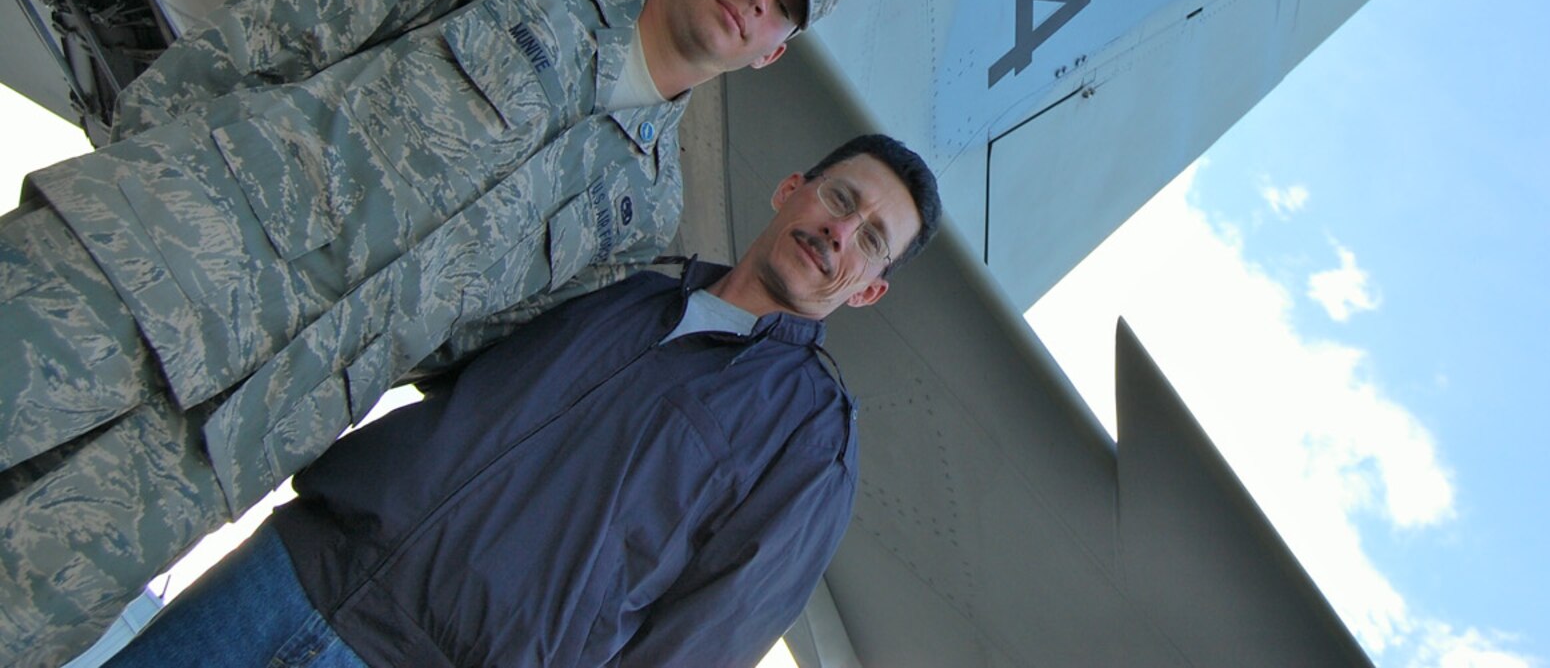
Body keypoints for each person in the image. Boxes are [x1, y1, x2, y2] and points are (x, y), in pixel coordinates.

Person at [0, 0, 845, 666]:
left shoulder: (641, 210)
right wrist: (148, 179)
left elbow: (461, 344)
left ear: (772, 53)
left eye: (782, 8)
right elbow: (293, 18)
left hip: (226, 436)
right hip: (129, 273)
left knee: (24, 609)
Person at [107, 134, 941, 668]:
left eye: (871, 238)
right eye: (841, 198)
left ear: (867, 291)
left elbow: (703, 642)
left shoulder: (809, 438)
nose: (842, 230)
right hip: (291, 572)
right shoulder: (621, 281)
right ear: (792, 187)